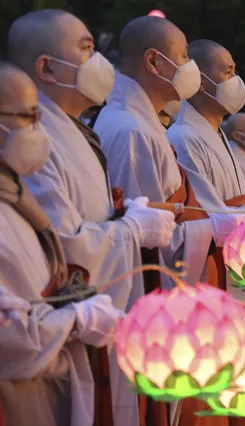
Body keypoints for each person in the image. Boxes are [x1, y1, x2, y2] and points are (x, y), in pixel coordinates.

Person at [7, 10, 178, 426]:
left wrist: (124, 220)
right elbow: (64, 245)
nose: (100, 61)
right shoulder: (29, 139)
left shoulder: (72, 128)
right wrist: (130, 230)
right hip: (52, 336)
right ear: (46, 67)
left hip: (93, 320)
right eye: (86, 49)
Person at [92, 17, 245, 426]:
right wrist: (218, 225)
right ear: (154, 61)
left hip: (187, 272)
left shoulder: (142, 122)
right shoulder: (129, 128)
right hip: (157, 294)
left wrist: (226, 219)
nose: (191, 70)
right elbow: (148, 238)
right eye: (184, 58)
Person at [0, 59, 124, 426]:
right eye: (29, 117)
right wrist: (72, 320)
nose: (40, 129)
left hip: (53, 375)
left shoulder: (15, 192)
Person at [167, 39, 245, 210]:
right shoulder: (182, 138)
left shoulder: (216, 133)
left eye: (234, 71)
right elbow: (203, 212)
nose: (236, 80)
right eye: (228, 72)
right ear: (201, 82)